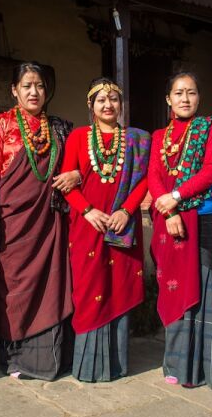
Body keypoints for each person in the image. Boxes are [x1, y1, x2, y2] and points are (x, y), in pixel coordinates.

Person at [0, 62, 78, 380]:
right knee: (14, 290)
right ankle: (17, 360)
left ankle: (52, 360)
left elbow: (78, 164)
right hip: (13, 223)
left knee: (52, 287)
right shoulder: (0, 125)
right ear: (14, 90)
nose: (34, 92)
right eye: (26, 86)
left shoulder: (60, 128)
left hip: (49, 222)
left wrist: (76, 174)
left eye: (39, 85)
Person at [61, 78, 150, 382]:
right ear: (91, 105)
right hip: (88, 226)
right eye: (101, 100)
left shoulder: (137, 140)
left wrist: (126, 210)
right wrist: (88, 211)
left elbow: (144, 181)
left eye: (113, 99)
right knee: (89, 290)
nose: (108, 105)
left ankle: (117, 364)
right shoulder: (78, 137)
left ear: (121, 104)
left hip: (123, 225)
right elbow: (66, 185)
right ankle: (88, 366)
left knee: (119, 287)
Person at [148, 72, 212, 391]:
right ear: (168, 98)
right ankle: (178, 363)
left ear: (198, 97)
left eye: (191, 92)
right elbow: (154, 176)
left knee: (203, 287)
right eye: (178, 93)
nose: (185, 98)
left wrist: (177, 196)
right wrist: (169, 210)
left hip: (204, 217)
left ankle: (204, 368)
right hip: (171, 219)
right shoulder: (159, 137)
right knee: (175, 288)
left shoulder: (211, 128)